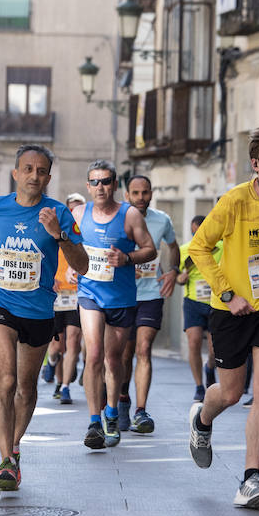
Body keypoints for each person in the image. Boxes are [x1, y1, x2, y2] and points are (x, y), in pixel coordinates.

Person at [0, 145, 87, 490]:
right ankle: (5, 462)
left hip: (40, 310)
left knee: (27, 389)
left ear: (48, 176)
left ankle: (14, 447)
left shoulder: (58, 212)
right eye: (27, 169)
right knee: (8, 380)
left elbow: (82, 264)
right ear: (16, 173)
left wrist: (59, 234)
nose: (34, 176)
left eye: (41, 170)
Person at [187, 123, 259, 510]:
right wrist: (227, 293)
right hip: (232, 309)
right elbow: (200, 248)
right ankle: (202, 420)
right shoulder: (233, 202)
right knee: (232, 393)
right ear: (256, 164)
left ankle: (250, 479)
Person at [73, 160, 156, 450]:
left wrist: (127, 258)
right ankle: (94, 421)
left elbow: (150, 249)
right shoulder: (78, 213)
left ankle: (111, 411)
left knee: (114, 359)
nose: (100, 187)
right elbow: (67, 247)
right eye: (94, 182)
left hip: (121, 298)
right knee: (93, 355)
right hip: (89, 293)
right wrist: (72, 267)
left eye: (106, 181)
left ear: (115, 185)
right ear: (87, 186)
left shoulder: (129, 215)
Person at [117, 175, 179, 433]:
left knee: (143, 349)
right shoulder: (117, 218)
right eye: (136, 193)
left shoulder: (162, 219)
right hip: (123, 295)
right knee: (124, 354)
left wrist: (173, 270)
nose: (141, 197)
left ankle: (141, 412)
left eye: (145, 192)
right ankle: (122, 401)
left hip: (151, 294)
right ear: (127, 195)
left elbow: (173, 247)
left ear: (151, 194)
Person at [43, 192, 86, 405]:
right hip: (56, 294)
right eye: (72, 209)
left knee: (73, 342)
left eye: (79, 208)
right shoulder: (55, 232)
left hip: (77, 296)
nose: (75, 213)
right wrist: (48, 279)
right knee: (57, 348)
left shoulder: (85, 234)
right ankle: (53, 367)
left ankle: (66, 387)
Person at [177, 216, 220, 402]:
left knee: (214, 349)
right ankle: (199, 386)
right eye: (195, 232)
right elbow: (176, 277)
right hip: (193, 302)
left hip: (216, 302)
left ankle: (210, 368)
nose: (198, 234)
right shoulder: (185, 250)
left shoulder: (222, 248)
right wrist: (182, 278)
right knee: (193, 342)